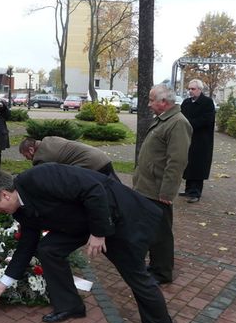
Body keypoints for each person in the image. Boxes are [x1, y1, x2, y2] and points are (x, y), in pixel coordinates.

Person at [0, 164, 176, 323]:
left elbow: (94, 190)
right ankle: (70, 305)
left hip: (112, 216)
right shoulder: (20, 211)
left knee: (136, 277)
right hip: (79, 223)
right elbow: (26, 247)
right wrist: (2, 286)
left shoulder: (40, 176)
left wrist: (99, 233)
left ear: (5, 194)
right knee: (48, 249)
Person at [133, 84, 192, 285]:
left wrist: (167, 192)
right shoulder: (165, 120)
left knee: (161, 233)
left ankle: (162, 272)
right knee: (151, 230)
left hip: (158, 190)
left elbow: (176, 161)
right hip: (147, 187)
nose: (149, 104)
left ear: (164, 102)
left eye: (151, 100)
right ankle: (156, 266)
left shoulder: (178, 123)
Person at [19, 136, 120, 182]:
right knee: (116, 186)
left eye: (25, 155)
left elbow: (43, 178)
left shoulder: (41, 158)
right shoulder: (48, 140)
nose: (27, 158)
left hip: (90, 163)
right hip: (101, 156)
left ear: (31, 150)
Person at [179, 79, 216, 203]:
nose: (190, 91)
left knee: (198, 166)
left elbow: (207, 119)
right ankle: (188, 189)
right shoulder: (186, 102)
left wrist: (189, 124)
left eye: (193, 89)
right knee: (188, 164)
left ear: (200, 89)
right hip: (188, 138)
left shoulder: (207, 103)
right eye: (189, 89)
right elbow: (180, 116)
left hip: (201, 140)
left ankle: (196, 192)